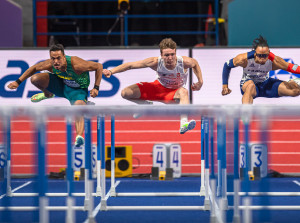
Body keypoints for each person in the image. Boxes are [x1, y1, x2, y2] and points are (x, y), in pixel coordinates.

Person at [7, 44, 103, 146]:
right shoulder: (50, 64)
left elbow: (99, 66)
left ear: (64, 57)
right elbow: (34, 68)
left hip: (77, 91)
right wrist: (18, 82)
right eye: (53, 58)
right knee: (35, 79)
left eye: (58, 58)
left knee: (78, 108)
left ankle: (79, 136)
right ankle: (48, 94)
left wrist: (96, 87)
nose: (56, 61)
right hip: (61, 85)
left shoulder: (77, 64)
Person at [102, 38, 203, 134]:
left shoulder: (184, 62)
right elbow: (130, 65)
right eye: (166, 55)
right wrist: (111, 71)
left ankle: (183, 123)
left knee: (184, 92)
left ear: (176, 53)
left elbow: (195, 64)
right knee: (125, 93)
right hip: (157, 88)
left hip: (173, 94)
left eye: (172, 54)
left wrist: (200, 82)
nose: (170, 58)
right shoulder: (155, 62)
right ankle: (145, 104)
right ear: (161, 55)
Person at [222, 35, 300, 104]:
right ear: (255, 53)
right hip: (248, 85)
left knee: (295, 91)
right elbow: (227, 65)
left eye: (265, 56)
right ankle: (246, 117)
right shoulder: (243, 59)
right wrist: (225, 86)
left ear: (269, 53)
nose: (262, 59)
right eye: (259, 55)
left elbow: (291, 67)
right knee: (251, 85)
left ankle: (293, 82)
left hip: (266, 85)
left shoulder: (275, 61)